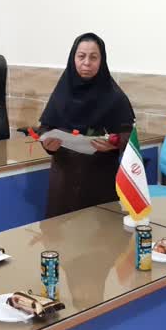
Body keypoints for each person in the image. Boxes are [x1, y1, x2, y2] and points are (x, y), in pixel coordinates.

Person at [39, 33, 135, 218]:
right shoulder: (62, 92)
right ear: (73, 58)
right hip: (64, 179)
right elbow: (45, 127)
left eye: (93, 57)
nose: (87, 63)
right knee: (59, 232)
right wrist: (48, 144)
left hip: (99, 180)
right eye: (81, 56)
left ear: (102, 60)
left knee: (100, 233)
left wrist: (114, 143)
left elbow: (129, 134)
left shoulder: (114, 96)